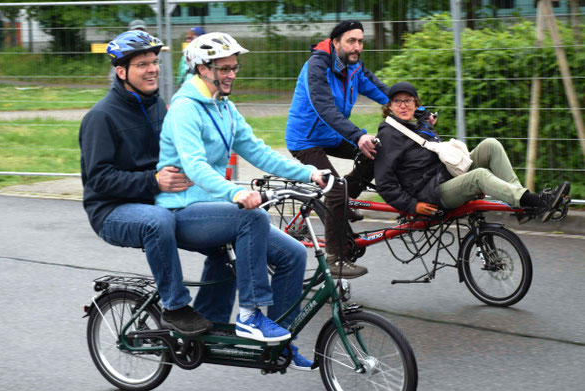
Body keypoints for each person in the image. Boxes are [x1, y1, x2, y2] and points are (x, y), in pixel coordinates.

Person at [157, 32, 327, 368]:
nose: (232, 73)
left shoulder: (225, 107)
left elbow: (257, 151)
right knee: (252, 218)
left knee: (293, 253)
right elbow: (195, 166)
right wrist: (235, 192)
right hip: (183, 211)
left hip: (215, 210)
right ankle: (251, 314)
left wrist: (307, 173)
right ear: (202, 69)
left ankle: (280, 343)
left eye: (234, 67)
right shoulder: (184, 109)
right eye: (224, 68)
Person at [80, 30, 232, 337]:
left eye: (154, 62)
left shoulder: (158, 105)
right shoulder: (101, 117)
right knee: (157, 221)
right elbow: (99, 179)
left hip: (158, 200)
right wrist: (154, 182)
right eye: (142, 64)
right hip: (112, 210)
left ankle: (209, 324)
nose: (152, 69)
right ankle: (175, 308)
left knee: (227, 237)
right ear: (121, 71)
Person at [374, 81, 570, 222]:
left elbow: (422, 119)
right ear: (389, 106)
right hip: (430, 194)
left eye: (408, 100)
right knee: (479, 176)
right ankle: (535, 201)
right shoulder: (389, 135)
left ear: (416, 103)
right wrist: (412, 206)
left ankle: (522, 204)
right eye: (397, 101)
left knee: (490, 145)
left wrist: (425, 118)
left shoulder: (419, 125)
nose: (403, 106)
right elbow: (384, 183)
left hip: (445, 176)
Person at [285, 20, 391, 279]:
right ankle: (335, 258)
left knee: (380, 153)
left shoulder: (355, 67)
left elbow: (381, 91)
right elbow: (324, 108)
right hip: (306, 140)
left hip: (333, 135)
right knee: (336, 187)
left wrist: (415, 109)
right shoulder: (317, 66)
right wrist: (358, 136)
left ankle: (339, 206)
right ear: (335, 43)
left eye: (361, 41)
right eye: (351, 41)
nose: (357, 47)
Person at [108, 20, 149, 86]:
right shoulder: (121, 51)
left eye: (141, 32)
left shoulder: (154, 51)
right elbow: (113, 77)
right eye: (135, 32)